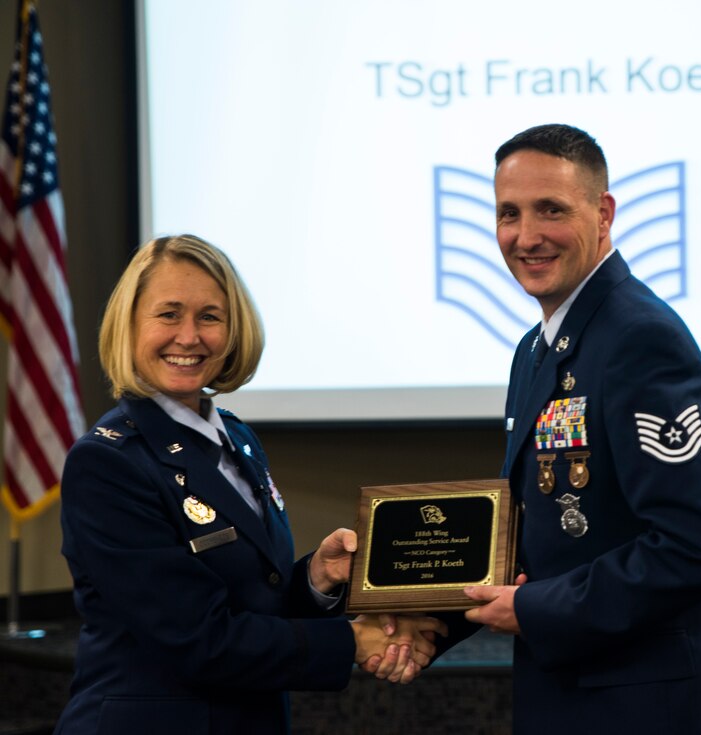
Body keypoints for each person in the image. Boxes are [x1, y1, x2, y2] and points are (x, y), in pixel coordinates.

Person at [54, 234, 447, 735]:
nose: (189, 336)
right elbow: (198, 638)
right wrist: (355, 642)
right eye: (168, 314)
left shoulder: (235, 437)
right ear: (129, 326)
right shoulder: (107, 464)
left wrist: (316, 579)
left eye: (210, 317)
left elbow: (255, 600)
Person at [460, 124, 701, 733]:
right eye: (508, 213)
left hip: (647, 700)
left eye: (551, 210)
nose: (525, 236)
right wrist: (423, 617)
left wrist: (538, 608)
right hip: (579, 685)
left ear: (603, 214)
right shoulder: (536, 348)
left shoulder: (638, 338)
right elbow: (537, 523)